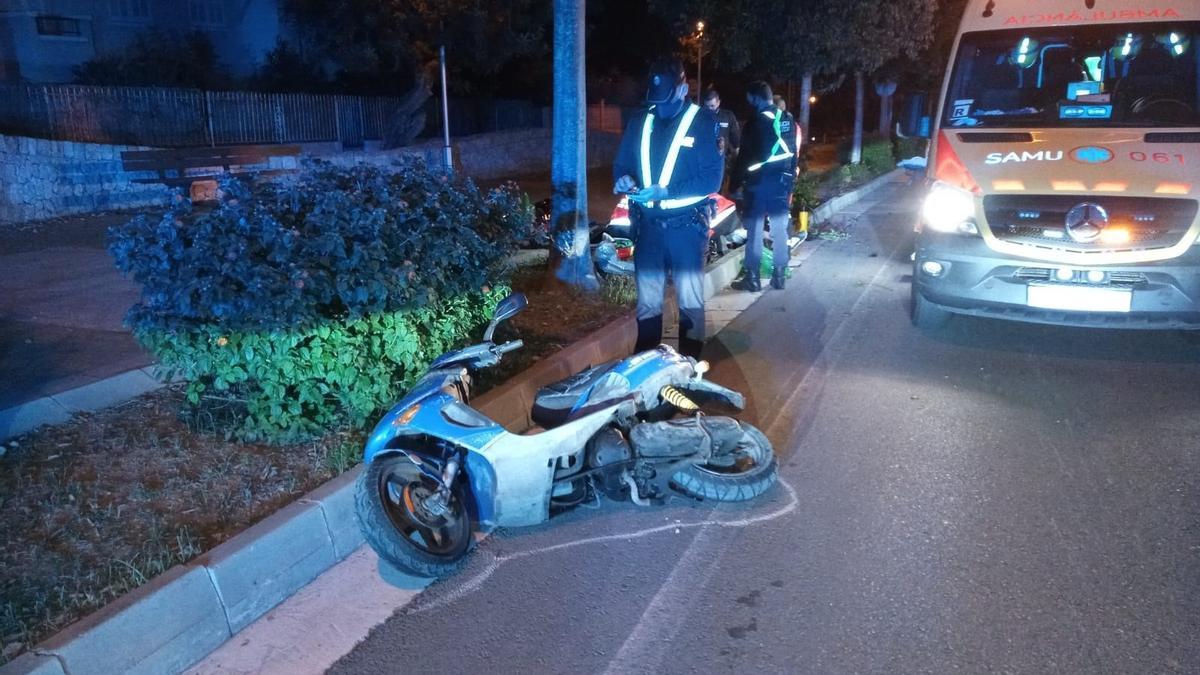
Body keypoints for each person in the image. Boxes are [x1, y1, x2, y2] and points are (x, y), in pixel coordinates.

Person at [613, 57, 724, 358]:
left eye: (667, 101)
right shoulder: (641, 120)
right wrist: (623, 179)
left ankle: (689, 366)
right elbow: (623, 163)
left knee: (689, 302)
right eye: (656, 102)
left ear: (683, 89)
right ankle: (647, 368)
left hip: (687, 229)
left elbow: (712, 178)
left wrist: (668, 191)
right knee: (648, 305)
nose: (661, 109)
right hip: (648, 229)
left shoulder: (704, 123)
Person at [731, 81, 798, 291]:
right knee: (779, 230)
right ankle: (779, 276)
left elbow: (744, 158)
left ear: (755, 98)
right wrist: (790, 182)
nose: (748, 102)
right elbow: (793, 153)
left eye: (749, 98)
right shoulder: (787, 119)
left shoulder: (754, 123)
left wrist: (734, 184)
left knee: (755, 231)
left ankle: (752, 278)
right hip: (781, 182)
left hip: (758, 184)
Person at [704, 88, 740, 193]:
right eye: (707, 106)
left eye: (712, 106)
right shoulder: (700, 116)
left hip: (721, 159)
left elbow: (735, 138)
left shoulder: (728, 116)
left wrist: (736, 158)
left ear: (718, 103)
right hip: (704, 159)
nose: (710, 109)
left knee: (718, 187)